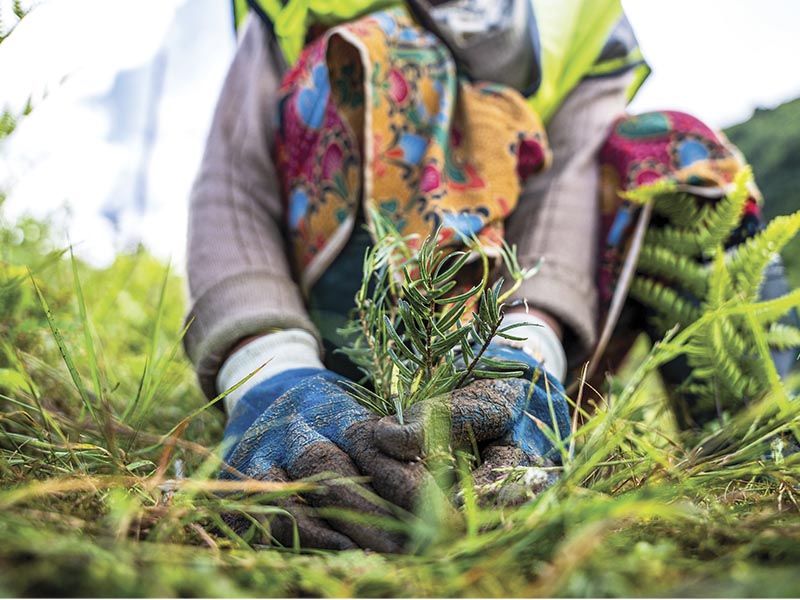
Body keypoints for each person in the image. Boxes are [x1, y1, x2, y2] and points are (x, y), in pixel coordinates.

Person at [182, 0, 792, 551]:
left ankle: (758, 452)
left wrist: (526, 357)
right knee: (398, 55)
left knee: (680, 154)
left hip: (522, 336)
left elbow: (565, 195)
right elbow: (234, 185)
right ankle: (328, 422)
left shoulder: (582, 16)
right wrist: (268, 373)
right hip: (342, 332)